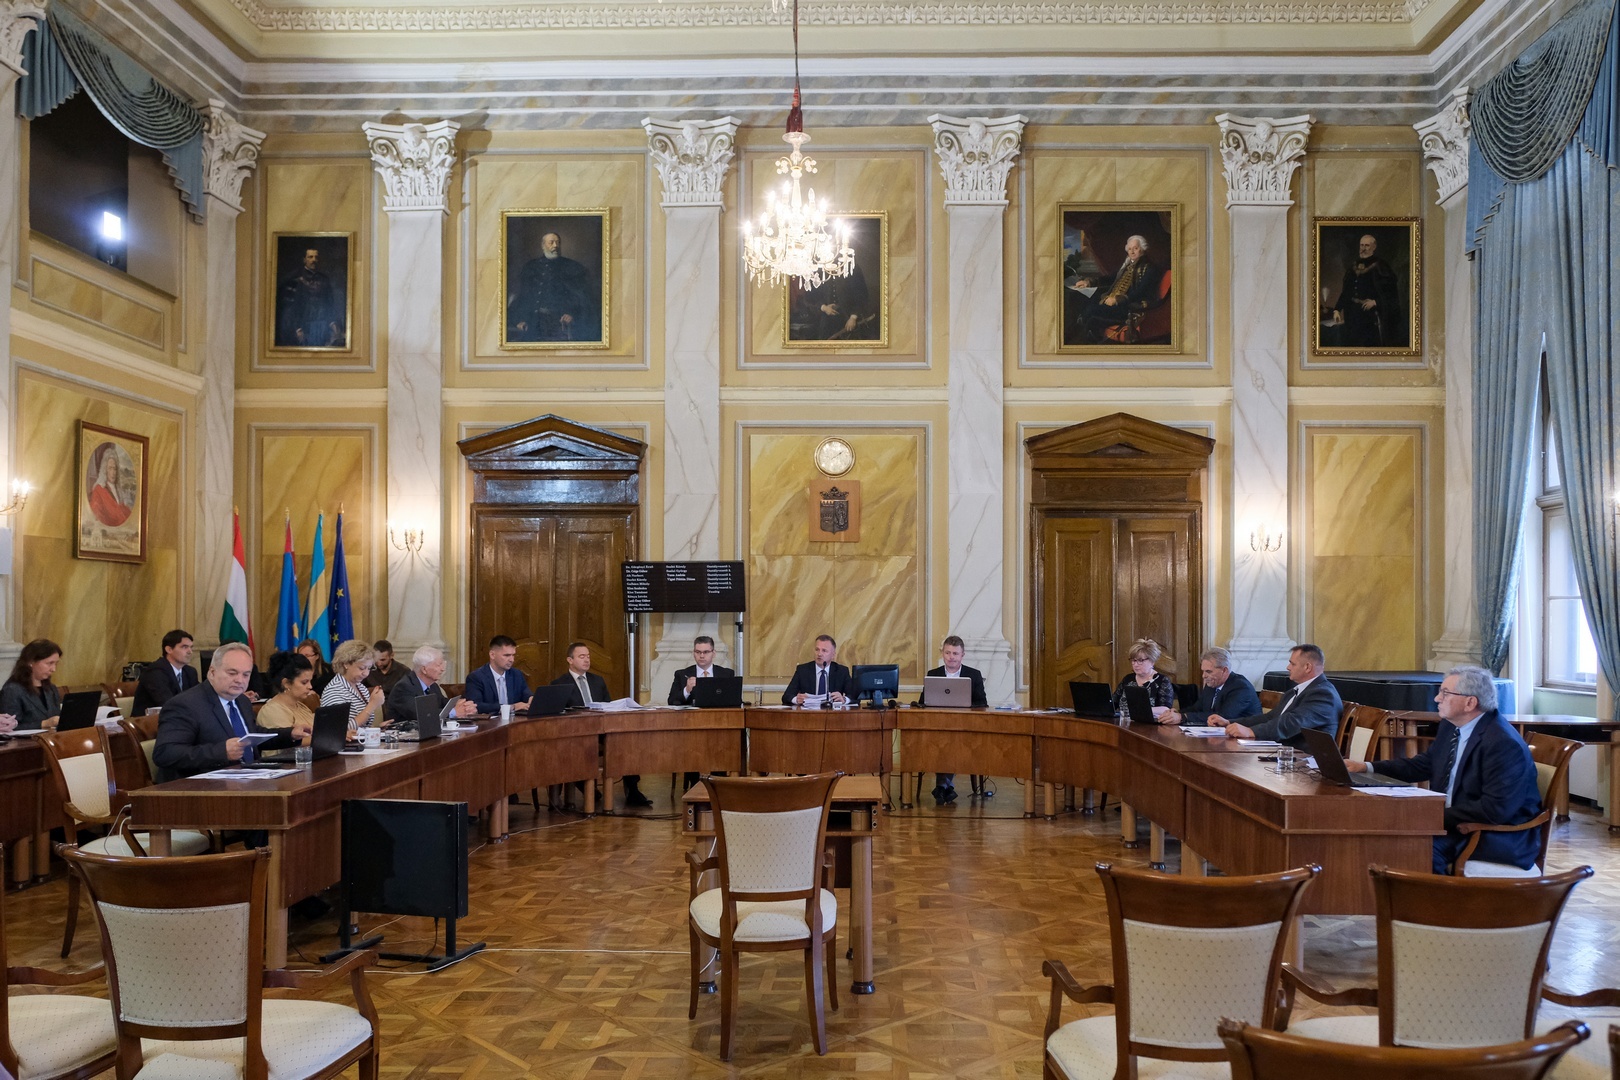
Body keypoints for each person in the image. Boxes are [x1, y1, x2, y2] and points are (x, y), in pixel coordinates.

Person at [1347, 665, 1541, 874]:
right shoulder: (1451, 726)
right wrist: (1367, 767)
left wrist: (1433, 814)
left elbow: (1494, 809)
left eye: (1445, 693)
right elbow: (1424, 764)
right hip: (1454, 822)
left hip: (1493, 835)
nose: (1437, 698)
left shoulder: (1502, 743)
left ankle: (1438, 895)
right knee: (1383, 832)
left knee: (1413, 848)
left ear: (1470, 702)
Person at [152, 643, 307, 780]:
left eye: (246, 674)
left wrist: (290, 734)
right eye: (232, 673)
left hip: (250, 779)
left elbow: (251, 735)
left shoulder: (241, 701)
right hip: (202, 789)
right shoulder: (185, 705)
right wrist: (221, 752)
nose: (240, 680)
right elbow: (165, 753)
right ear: (212, 672)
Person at [552, 643, 651, 807]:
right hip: (576, 734)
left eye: (588, 656)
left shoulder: (597, 681)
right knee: (578, 748)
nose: (586, 660)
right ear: (570, 660)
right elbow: (558, 715)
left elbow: (608, 706)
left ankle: (632, 790)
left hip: (601, 731)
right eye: (581, 657)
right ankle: (584, 785)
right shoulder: (559, 684)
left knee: (627, 742)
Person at [1211, 643, 1343, 748]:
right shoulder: (1294, 691)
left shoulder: (1323, 694)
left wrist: (1252, 732)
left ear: (1307, 667)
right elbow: (1270, 717)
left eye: (1292, 663)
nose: (1288, 667)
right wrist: (1229, 722)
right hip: (1283, 753)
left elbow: (1292, 723)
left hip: (1304, 759)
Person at [925, 635, 988, 805]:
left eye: (955, 653)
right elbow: (923, 702)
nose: (951, 657)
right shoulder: (933, 675)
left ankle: (942, 786)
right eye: (947, 653)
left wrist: (965, 706)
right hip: (938, 726)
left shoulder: (973, 675)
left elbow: (982, 703)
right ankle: (946, 787)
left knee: (950, 742)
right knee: (942, 741)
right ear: (942, 654)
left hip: (965, 727)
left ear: (962, 655)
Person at [1065, 234, 1160, 345]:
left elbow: (1141, 292)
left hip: (1130, 307)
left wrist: (1118, 299)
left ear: (1142, 249)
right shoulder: (1127, 266)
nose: (1132, 252)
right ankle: (1073, 338)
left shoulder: (1150, 268)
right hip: (1114, 302)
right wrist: (1089, 282)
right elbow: (1110, 278)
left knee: (1091, 312)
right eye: (1129, 249)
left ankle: (1077, 340)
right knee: (1085, 304)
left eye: (1135, 248)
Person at [506, 232, 599, 343]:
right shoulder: (530, 267)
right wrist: (519, 320)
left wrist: (572, 314)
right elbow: (523, 296)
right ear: (543, 245)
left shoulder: (572, 267)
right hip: (533, 322)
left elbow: (582, 297)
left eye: (558, 242)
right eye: (551, 242)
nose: (555, 246)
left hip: (560, 323)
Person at [1327, 233, 1403, 348]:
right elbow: (1347, 291)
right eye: (1361, 245)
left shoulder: (1381, 266)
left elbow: (1391, 293)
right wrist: (1337, 309)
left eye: (1367, 245)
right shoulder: (1353, 266)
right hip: (1352, 314)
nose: (1363, 248)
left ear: (1374, 247)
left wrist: (1375, 302)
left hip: (1371, 315)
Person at [1168, 646, 1260, 727]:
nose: (1204, 676)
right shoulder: (1212, 684)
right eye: (1203, 671)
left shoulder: (1241, 687)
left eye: (1208, 671)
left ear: (1224, 670)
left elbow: (1222, 717)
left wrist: (1183, 717)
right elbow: (1197, 708)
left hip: (1245, 736)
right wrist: (1176, 713)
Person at [386, 645, 477, 727]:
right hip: (405, 736)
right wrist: (453, 712)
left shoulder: (433, 686)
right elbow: (421, 714)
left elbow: (443, 703)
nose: (442, 669)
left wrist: (463, 706)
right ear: (424, 669)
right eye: (438, 665)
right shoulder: (403, 687)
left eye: (442, 664)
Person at [275, 246, 344, 348]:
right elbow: (291, 308)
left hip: (322, 325)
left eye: (316, 257)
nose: (314, 260)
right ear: (304, 260)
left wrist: (333, 323)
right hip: (303, 326)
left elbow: (330, 303)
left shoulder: (324, 279)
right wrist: (297, 328)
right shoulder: (295, 279)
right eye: (310, 257)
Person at [791, 260, 877, 340]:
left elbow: (861, 294)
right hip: (825, 319)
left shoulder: (851, 266)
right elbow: (810, 296)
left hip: (848, 317)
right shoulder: (819, 268)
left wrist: (853, 317)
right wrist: (824, 307)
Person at [320, 639, 386, 729]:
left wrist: (378, 728)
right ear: (346, 664)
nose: (366, 673)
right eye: (362, 668)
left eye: (369, 668)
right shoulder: (334, 691)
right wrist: (372, 705)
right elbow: (339, 729)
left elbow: (363, 726)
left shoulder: (361, 687)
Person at [132, 629, 200, 716]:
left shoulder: (190, 672)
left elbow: (199, 698)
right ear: (169, 649)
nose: (190, 651)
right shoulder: (155, 672)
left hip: (180, 719)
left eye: (191, 647)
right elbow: (168, 703)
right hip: (149, 722)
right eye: (184, 647)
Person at [0, 639, 63, 731]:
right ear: (31, 662)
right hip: (27, 740)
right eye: (49, 663)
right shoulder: (12, 690)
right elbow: (8, 726)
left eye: (56, 664)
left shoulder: (51, 688)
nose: (53, 669)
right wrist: (43, 724)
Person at [1110, 637, 1177, 723]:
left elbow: (1166, 709)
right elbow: (1113, 702)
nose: (1135, 664)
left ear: (1152, 661)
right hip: (1125, 723)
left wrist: (1141, 710)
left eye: (1140, 660)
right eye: (1133, 660)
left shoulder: (1162, 681)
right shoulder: (1128, 679)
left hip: (1151, 725)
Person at [466, 635, 531, 715]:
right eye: (506, 655)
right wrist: (511, 707)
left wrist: (531, 699)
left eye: (513, 655)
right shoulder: (476, 677)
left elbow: (526, 693)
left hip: (515, 720)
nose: (512, 660)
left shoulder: (516, 674)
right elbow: (476, 706)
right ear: (492, 655)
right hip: (489, 721)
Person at [782, 635, 853, 706]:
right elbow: (786, 696)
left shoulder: (841, 671)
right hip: (809, 712)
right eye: (817, 650)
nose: (819, 654)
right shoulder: (803, 670)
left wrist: (844, 699)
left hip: (832, 711)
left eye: (824, 650)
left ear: (833, 655)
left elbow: (853, 696)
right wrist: (796, 699)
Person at [258, 651, 316, 733]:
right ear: (286, 683)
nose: (310, 686)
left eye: (310, 681)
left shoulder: (301, 707)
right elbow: (286, 739)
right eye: (304, 682)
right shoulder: (272, 712)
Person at [666, 636, 735, 705]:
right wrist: (687, 690)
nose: (702, 656)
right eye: (698, 652)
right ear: (693, 653)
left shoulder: (726, 674)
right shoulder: (682, 675)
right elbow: (671, 701)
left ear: (713, 653)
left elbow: (734, 700)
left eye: (706, 652)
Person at [86, 447, 133, 527]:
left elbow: (122, 510)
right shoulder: (98, 490)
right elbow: (96, 516)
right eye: (110, 468)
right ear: (105, 470)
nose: (113, 472)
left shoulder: (118, 490)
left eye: (115, 469)